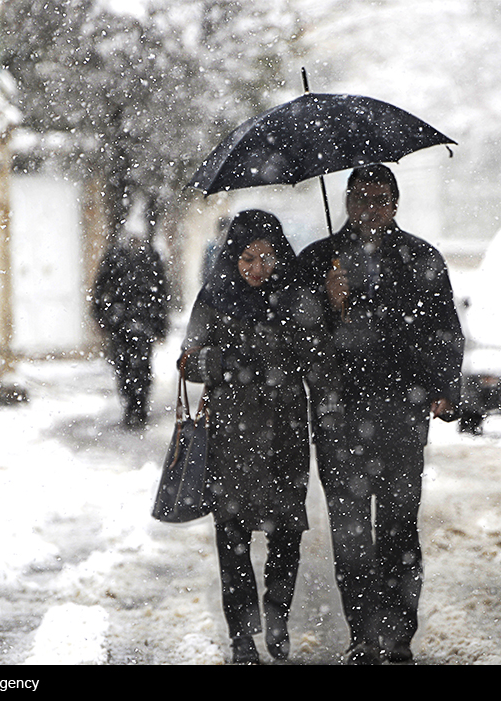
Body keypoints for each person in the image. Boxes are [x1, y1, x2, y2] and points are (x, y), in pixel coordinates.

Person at [297, 164, 465, 664]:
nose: (370, 209)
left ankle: (398, 639)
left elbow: (445, 330)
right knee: (350, 537)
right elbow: (299, 338)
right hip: (338, 416)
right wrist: (328, 305)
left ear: (395, 203)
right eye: (361, 198)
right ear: (346, 202)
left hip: (402, 414)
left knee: (398, 530)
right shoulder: (319, 260)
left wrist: (444, 389)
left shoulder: (420, 259)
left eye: (380, 199)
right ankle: (363, 637)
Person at [179, 209, 346, 664]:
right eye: (248, 258)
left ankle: (275, 617)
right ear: (233, 257)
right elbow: (187, 362)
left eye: (268, 257)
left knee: (287, 533)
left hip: (286, 433)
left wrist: (333, 306)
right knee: (231, 537)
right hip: (231, 435)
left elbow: (321, 361)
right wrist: (215, 363)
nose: (258, 269)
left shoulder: (297, 299)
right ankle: (241, 638)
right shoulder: (214, 297)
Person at [91, 202, 170, 428]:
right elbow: (100, 288)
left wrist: (160, 324)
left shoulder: (151, 258)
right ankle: (129, 405)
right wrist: (102, 315)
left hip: (143, 323)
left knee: (142, 367)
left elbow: (162, 293)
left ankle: (140, 406)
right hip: (120, 323)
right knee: (123, 366)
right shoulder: (115, 257)